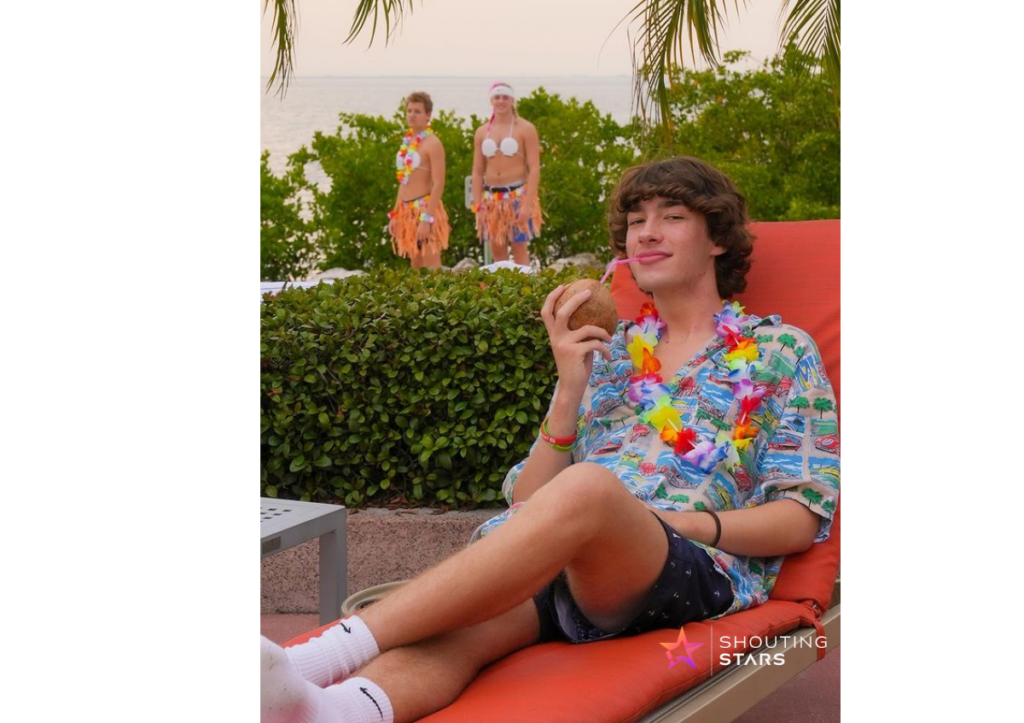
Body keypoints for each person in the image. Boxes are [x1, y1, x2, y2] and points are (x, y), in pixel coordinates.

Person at [261, 157, 840, 723]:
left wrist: (681, 523)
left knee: (589, 486)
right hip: (567, 558)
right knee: (456, 631)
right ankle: (331, 711)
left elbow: (800, 516)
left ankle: (311, 657)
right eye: (636, 220)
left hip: (691, 567)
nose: (646, 232)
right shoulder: (608, 353)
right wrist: (569, 387)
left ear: (717, 239)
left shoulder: (779, 352)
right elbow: (528, 503)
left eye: (671, 216)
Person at [471, 82, 542, 266]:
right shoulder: (482, 132)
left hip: (517, 196)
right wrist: (478, 205)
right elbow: (477, 172)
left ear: (512, 100)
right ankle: (501, 283)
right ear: (491, 100)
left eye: (505, 97)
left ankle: (525, 283)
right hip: (491, 199)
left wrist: (527, 204)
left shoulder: (526, 129)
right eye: (497, 97)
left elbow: (534, 169)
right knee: (496, 248)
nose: (501, 101)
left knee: (519, 248)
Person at [387, 92, 449, 269]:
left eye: (417, 111)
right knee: (415, 266)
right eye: (409, 111)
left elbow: (439, 183)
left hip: (425, 208)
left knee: (430, 264)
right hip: (406, 211)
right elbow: (404, 181)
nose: (412, 115)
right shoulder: (407, 142)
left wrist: (426, 219)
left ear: (428, 115)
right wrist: (395, 214)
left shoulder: (433, 143)